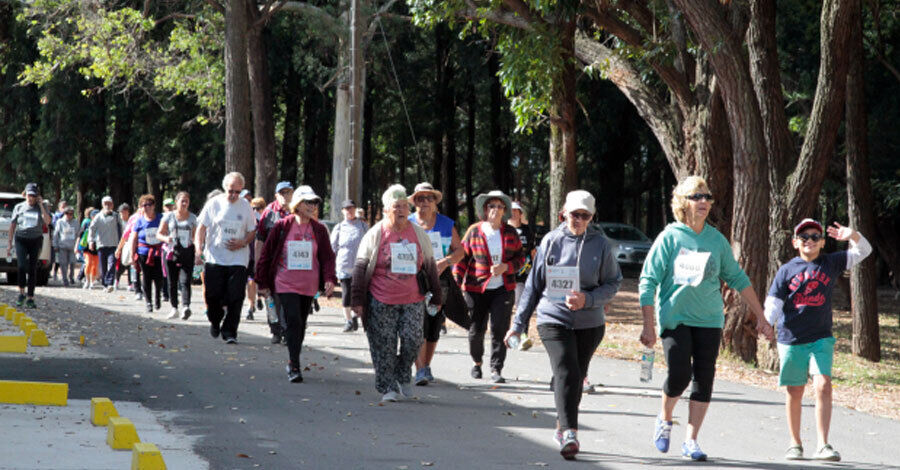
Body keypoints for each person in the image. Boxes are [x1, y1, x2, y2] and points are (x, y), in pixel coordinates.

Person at [639, 176, 774, 461]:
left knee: (704, 378)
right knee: (679, 374)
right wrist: (648, 324)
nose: (703, 202)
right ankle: (664, 418)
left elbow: (737, 277)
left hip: (710, 320)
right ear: (683, 202)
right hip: (675, 318)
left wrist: (761, 316)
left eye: (707, 197)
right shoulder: (670, 237)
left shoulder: (716, 239)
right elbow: (648, 281)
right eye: (696, 197)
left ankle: (691, 440)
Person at [504, 190, 621, 459]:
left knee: (575, 376)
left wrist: (588, 298)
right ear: (563, 214)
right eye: (574, 215)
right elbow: (533, 285)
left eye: (585, 216)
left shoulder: (601, 245)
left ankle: (561, 422)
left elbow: (613, 283)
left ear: (591, 218)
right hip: (553, 318)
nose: (578, 220)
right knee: (567, 370)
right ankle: (570, 433)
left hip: (590, 322)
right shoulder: (551, 241)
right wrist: (518, 324)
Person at [764, 219, 871, 462]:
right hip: (791, 338)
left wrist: (852, 234)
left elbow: (864, 251)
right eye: (804, 237)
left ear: (822, 242)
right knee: (795, 390)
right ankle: (795, 443)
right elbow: (774, 303)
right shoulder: (786, 270)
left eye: (815, 237)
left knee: (823, 385)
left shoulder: (830, 262)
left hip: (821, 337)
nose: (809, 241)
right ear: (795, 243)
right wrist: (766, 323)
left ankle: (823, 444)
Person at [350, 184, 442, 403]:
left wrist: (437, 296)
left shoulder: (419, 234)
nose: (401, 210)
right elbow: (360, 268)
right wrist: (356, 300)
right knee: (384, 344)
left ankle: (402, 374)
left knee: (413, 339)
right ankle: (387, 386)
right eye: (396, 207)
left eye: (404, 206)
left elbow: (430, 266)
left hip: (413, 298)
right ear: (385, 211)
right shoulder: (375, 234)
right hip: (381, 299)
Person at [257, 186, 336, 382]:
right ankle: (294, 365)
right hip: (285, 282)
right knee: (293, 320)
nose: (312, 206)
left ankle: (293, 358)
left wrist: (329, 279)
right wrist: (262, 282)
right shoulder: (282, 226)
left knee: (300, 324)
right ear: (297, 205)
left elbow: (327, 257)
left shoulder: (319, 229)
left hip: (308, 285)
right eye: (308, 202)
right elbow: (266, 255)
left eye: (315, 202)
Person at [455, 190, 525, 384]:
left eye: (499, 206)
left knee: (499, 329)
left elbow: (521, 258)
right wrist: (455, 283)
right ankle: (477, 362)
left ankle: (496, 368)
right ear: (485, 210)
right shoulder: (474, 230)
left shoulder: (510, 233)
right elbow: (462, 259)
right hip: (475, 288)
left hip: (503, 288)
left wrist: (506, 267)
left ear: (505, 211)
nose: (495, 210)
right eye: (491, 206)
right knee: (475, 330)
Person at [407, 182, 466, 385]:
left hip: (440, 280)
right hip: (412, 279)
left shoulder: (446, 223)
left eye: (429, 198)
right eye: (420, 198)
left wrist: (446, 261)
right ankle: (420, 369)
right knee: (417, 323)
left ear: (435, 203)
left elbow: (460, 251)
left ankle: (425, 366)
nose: (424, 202)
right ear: (414, 203)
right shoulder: (407, 222)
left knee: (433, 325)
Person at [195, 172, 257, 344]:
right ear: (225, 188)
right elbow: (201, 228)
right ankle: (215, 320)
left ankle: (230, 331)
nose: (233, 195)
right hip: (215, 258)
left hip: (238, 259)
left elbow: (252, 230)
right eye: (231, 191)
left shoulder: (245, 206)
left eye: (237, 192)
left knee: (236, 297)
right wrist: (198, 250)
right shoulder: (214, 203)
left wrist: (243, 241)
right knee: (213, 295)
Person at [256, 181, 294, 344]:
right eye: (282, 193)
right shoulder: (269, 212)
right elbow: (260, 239)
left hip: (291, 264)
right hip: (271, 263)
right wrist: (258, 263)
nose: (286, 196)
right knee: (271, 297)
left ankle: (286, 330)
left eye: (288, 192)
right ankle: (275, 330)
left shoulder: (297, 210)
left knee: (287, 297)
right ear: (276, 195)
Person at [6, 183, 51, 308]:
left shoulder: (41, 207)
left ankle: (30, 297)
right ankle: (21, 293)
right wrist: (9, 243)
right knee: (21, 267)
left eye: (33, 195)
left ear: (37, 196)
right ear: (25, 194)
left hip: (35, 240)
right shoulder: (19, 207)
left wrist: (41, 205)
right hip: (21, 239)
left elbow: (47, 221)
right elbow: (12, 225)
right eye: (29, 195)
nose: (30, 198)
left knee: (32, 269)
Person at [157, 191, 198, 320]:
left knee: (185, 280)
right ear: (176, 202)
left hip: (187, 251)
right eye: (182, 201)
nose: (185, 203)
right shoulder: (169, 217)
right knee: (172, 281)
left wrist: (198, 252)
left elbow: (195, 236)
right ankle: (174, 308)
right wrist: (166, 238)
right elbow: (159, 234)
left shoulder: (193, 218)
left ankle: (186, 307)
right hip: (171, 251)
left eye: (187, 201)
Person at [330, 199, 369, 332]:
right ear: (342, 211)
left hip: (360, 265)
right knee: (346, 293)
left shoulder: (363, 226)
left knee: (359, 293)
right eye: (346, 209)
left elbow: (369, 244)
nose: (349, 211)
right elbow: (333, 247)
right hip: (344, 264)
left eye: (351, 208)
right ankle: (348, 320)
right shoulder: (339, 227)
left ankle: (355, 316)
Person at [131, 195, 164, 313]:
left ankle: (157, 298)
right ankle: (148, 302)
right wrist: (132, 255)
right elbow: (134, 238)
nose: (146, 207)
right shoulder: (139, 221)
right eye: (143, 205)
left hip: (158, 253)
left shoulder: (160, 218)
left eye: (148, 205)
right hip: (143, 252)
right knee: (146, 276)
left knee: (158, 277)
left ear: (153, 206)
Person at [88, 196, 124, 293]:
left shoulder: (116, 216)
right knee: (103, 266)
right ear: (102, 205)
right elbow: (91, 229)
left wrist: (123, 242)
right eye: (105, 204)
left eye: (109, 203)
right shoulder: (98, 217)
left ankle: (110, 283)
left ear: (112, 205)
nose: (107, 205)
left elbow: (122, 229)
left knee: (112, 264)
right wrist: (91, 241)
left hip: (113, 245)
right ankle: (105, 284)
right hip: (101, 245)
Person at [246, 197, 267, 320]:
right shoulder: (249, 221)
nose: (255, 210)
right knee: (251, 281)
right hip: (249, 256)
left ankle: (259, 297)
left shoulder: (265, 222)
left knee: (258, 282)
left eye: (258, 208)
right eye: (253, 208)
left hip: (261, 256)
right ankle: (250, 305)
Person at [53, 206, 78, 287]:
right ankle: (64, 279)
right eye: (68, 213)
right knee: (63, 264)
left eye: (71, 214)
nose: (69, 215)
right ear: (65, 213)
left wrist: (78, 245)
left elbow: (78, 234)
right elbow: (56, 234)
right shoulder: (60, 222)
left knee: (72, 262)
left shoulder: (76, 222)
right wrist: (55, 245)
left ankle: (71, 276)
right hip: (62, 246)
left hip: (72, 247)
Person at [78, 207, 100, 289]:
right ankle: (87, 281)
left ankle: (92, 282)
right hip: (87, 247)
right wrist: (77, 247)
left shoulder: (101, 225)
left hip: (97, 247)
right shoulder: (87, 223)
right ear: (91, 216)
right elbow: (80, 235)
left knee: (95, 265)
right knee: (88, 263)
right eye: (94, 215)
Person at [114, 203, 132, 290]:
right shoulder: (117, 223)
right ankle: (116, 281)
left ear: (128, 212)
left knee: (130, 265)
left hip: (130, 245)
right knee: (120, 265)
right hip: (120, 245)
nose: (122, 214)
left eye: (124, 212)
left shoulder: (131, 221)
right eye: (121, 212)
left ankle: (130, 283)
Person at [50, 199, 68, 281]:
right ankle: (54, 272)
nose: (64, 208)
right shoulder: (56, 216)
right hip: (58, 239)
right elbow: (53, 225)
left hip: (66, 239)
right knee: (57, 258)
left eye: (65, 206)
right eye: (63, 207)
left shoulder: (69, 216)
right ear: (59, 207)